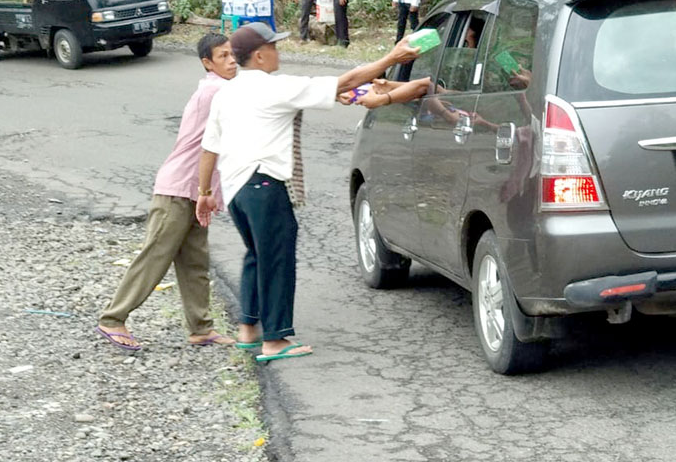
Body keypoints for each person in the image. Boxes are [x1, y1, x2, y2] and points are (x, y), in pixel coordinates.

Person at [195, 23, 429, 363]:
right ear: (260, 55)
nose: (279, 52)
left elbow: (208, 149)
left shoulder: (226, 93)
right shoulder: (275, 87)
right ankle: (274, 340)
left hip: (235, 189)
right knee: (276, 258)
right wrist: (393, 56)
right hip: (263, 183)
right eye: (274, 47)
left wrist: (205, 192)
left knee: (256, 254)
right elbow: (346, 81)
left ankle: (249, 330)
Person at [96, 33, 238, 351]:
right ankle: (112, 319)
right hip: (179, 189)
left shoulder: (219, 89)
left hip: (197, 192)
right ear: (207, 63)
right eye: (223, 56)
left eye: (232, 54)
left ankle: (201, 328)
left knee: (194, 261)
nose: (231, 61)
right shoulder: (217, 90)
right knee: (156, 255)